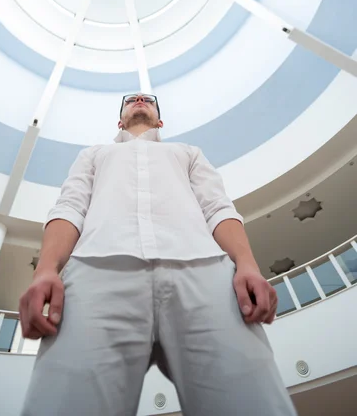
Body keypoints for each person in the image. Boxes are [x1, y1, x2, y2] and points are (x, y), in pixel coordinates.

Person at [20, 93, 297, 416]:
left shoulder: (188, 153)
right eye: (132, 100)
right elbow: (70, 207)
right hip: (96, 275)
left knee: (253, 402)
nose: (139, 100)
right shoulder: (94, 154)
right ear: (120, 119)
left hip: (206, 275)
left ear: (160, 119)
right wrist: (46, 270)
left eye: (147, 99)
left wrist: (246, 265)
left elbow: (217, 208)